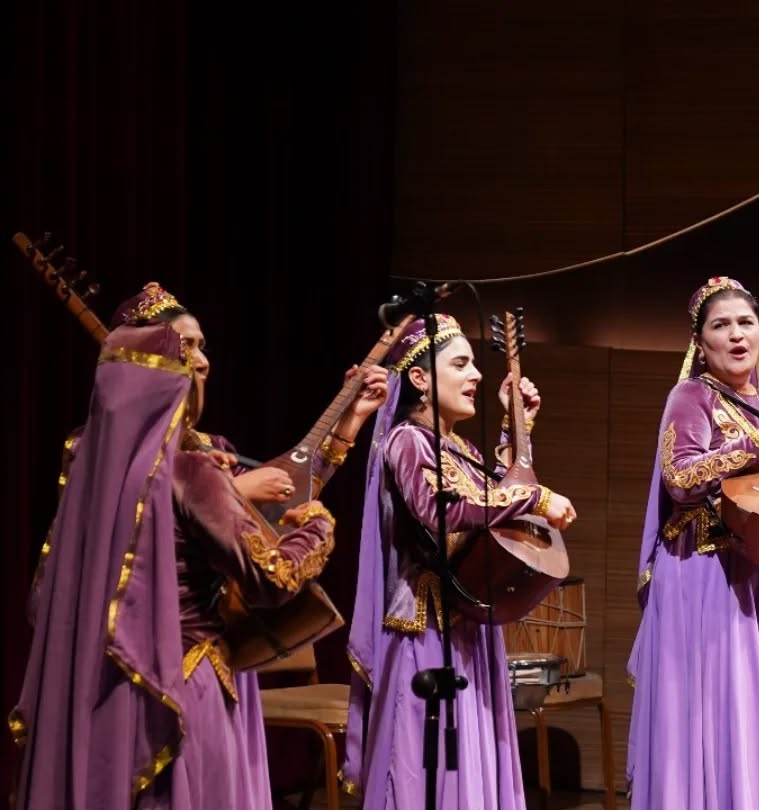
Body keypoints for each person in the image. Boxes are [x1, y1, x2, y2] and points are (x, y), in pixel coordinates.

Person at [13, 284, 356, 809]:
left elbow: (277, 482)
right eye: (186, 349)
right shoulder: (193, 469)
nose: (202, 362)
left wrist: (344, 428)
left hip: (109, 684)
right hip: (185, 681)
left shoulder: (90, 461)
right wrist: (316, 525)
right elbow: (271, 578)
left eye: (201, 346)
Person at [342, 313, 577, 809]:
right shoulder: (407, 440)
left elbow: (498, 504)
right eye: (462, 364)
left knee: (465, 766)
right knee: (422, 767)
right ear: (422, 378)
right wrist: (534, 503)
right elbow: (442, 510)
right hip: (423, 630)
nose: (476, 375)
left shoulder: (459, 449)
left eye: (475, 364)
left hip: (464, 627)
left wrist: (519, 431)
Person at [627, 277, 759, 808]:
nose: (736, 335)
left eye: (746, 323)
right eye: (721, 325)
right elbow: (681, 477)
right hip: (706, 570)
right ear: (701, 342)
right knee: (717, 708)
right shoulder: (691, 396)